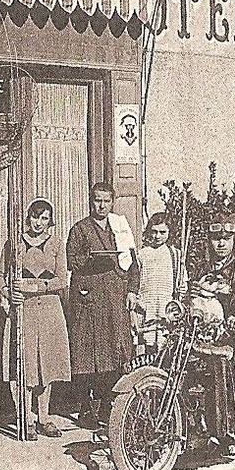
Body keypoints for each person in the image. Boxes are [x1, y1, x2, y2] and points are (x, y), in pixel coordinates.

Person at [0, 197, 69, 438]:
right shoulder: (14, 244)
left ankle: (44, 418)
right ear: (28, 218)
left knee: (46, 364)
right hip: (23, 311)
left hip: (49, 310)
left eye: (44, 218)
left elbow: (62, 280)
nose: (39, 223)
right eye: (35, 217)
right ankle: (25, 417)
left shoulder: (57, 244)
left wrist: (40, 286)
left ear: (50, 221)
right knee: (23, 365)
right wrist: (9, 293)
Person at [65, 183, 133, 429]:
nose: (101, 205)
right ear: (90, 201)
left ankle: (107, 405)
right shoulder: (80, 229)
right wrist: (94, 257)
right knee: (86, 354)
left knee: (113, 354)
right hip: (89, 300)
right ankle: (84, 407)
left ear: (112, 202)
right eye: (97, 200)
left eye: (106, 201)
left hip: (114, 300)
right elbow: (72, 260)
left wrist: (132, 291)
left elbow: (132, 262)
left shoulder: (119, 228)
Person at [128, 213, 182, 349]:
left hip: (166, 305)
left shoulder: (175, 254)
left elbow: (182, 279)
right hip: (147, 304)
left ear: (170, 232)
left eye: (162, 232)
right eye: (154, 232)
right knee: (148, 344)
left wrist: (182, 288)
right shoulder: (143, 254)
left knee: (166, 344)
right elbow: (134, 278)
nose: (157, 236)